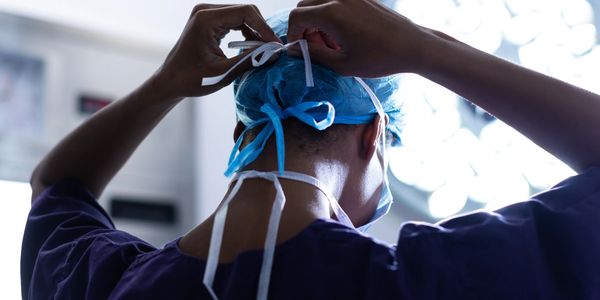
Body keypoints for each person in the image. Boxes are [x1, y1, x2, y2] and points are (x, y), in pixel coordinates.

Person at [21, 1, 600, 299]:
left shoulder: (107, 285)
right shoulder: (435, 281)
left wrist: (168, 81)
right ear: (375, 136)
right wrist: (430, 51)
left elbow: (56, 184)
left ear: (241, 135)